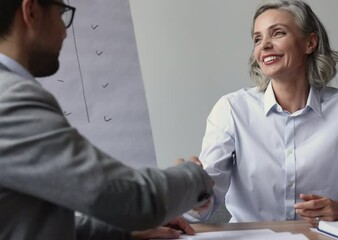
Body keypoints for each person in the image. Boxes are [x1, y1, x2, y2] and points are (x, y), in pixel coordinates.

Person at [186, 0, 338, 226]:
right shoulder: (231, 110)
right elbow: (203, 209)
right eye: (257, 39)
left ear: (310, 42)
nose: (265, 46)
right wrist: (192, 190)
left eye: (278, 33)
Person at [0, 0, 213, 239]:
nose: (65, 31)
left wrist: (126, 232)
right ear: (31, 12)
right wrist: (195, 176)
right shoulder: (12, 100)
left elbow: (31, 225)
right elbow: (128, 199)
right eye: (62, 14)